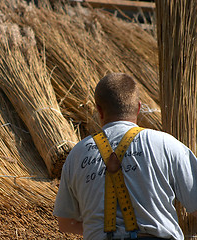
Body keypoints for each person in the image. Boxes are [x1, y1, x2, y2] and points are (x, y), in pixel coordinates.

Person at [53, 73, 197, 239]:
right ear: (138, 107)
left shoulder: (77, 155)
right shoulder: (166, 145)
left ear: (99, 110)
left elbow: (66, 223)